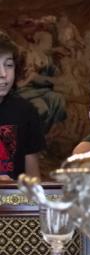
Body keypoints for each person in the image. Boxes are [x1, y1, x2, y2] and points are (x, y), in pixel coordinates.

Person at [0, 31, 45, 182]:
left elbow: (33, 179)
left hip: (12, 204)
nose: (3, 74)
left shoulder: (26, 112)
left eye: (8, 65)